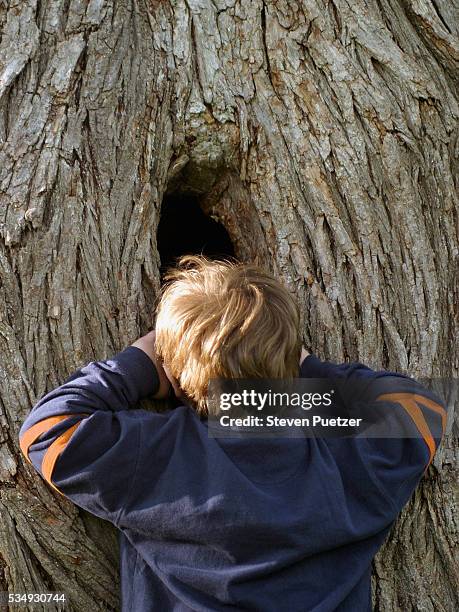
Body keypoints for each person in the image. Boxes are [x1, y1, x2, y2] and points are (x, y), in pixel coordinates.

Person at [18, 255, 447, 611]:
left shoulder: (155, 455)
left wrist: (140, 364)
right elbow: (421, 410)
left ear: (177, 375)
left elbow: (46, 429)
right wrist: (301, 374)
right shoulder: (348, 458)